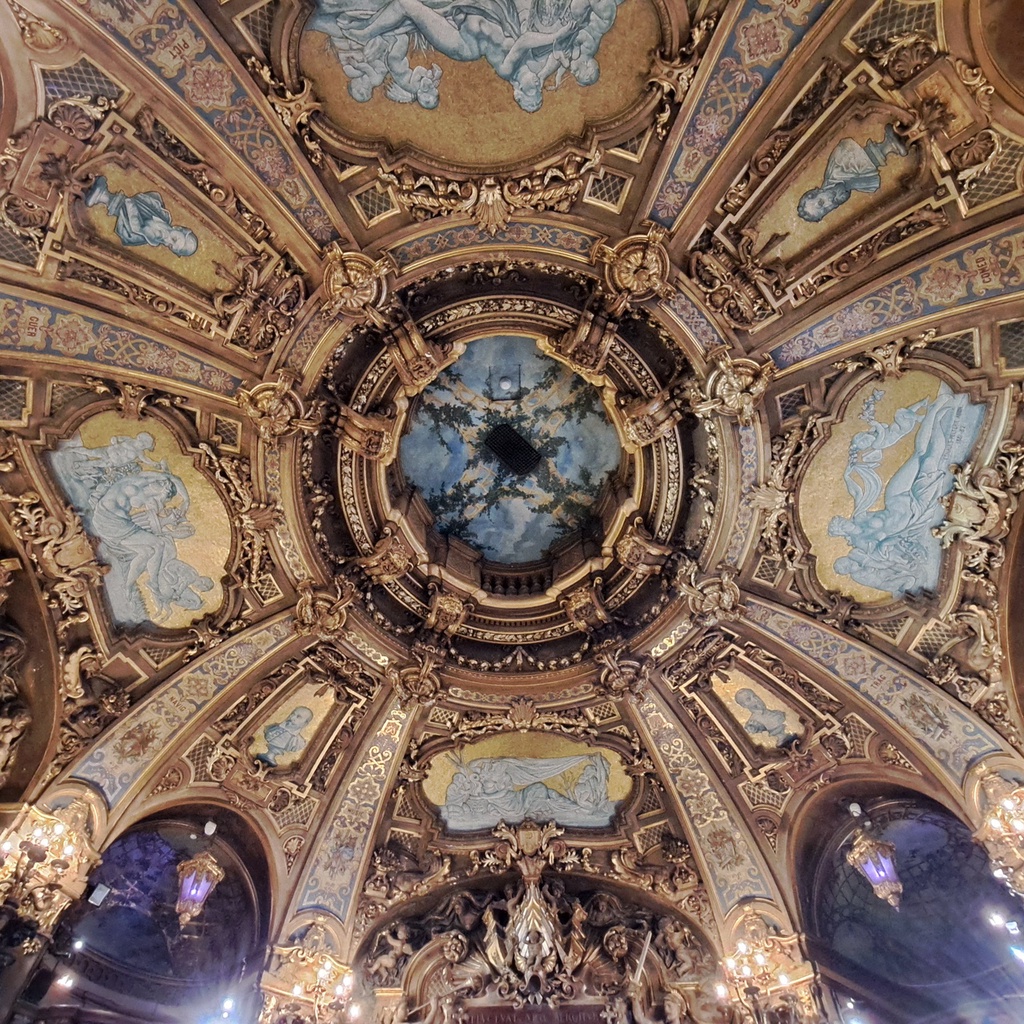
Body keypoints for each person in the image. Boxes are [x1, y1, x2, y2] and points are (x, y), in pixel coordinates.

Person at [797, 123, 907, 223]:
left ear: (818, 191)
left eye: (821, 202)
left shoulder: (838, 165)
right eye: (826, 210)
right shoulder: (861, 186)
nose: (830, 203)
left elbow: (847, 147)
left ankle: (888, 146)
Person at [85, 176, 199, 257]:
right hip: (133, 207)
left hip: (130, 218)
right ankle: (104, 195)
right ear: (179, 228)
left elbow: (137, 227)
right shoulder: (165, 216)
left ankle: (103, 197)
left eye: (170, 246)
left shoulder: (154, 238)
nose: (168, 240)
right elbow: (151, 201)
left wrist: (132, 207)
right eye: (174, 239)